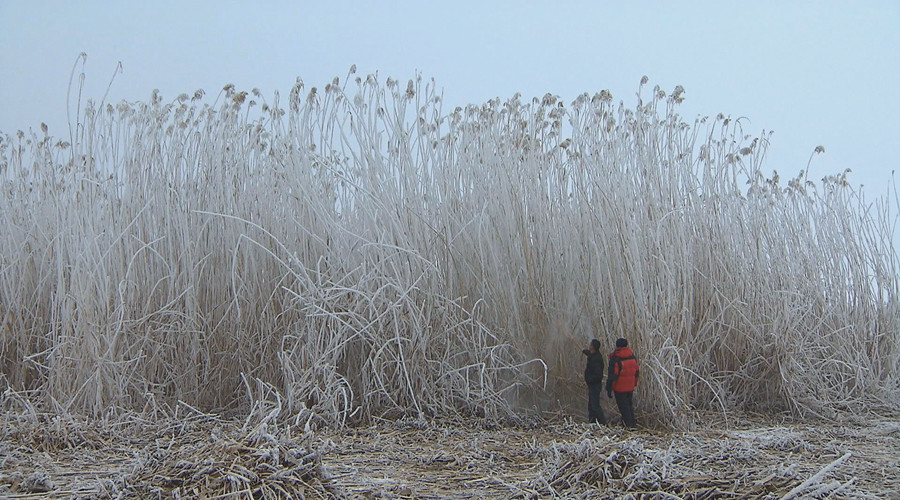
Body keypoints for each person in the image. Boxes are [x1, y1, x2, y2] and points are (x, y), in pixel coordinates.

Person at [606, 338, 639, 428]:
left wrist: (609, 388)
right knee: (629, 405)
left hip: (620, 388)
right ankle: (632, 424)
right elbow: (636, 372)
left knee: (623, 407)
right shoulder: (632, 357)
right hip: (630, 387)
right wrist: (634, 384)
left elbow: (613, 376)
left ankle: (628, 426)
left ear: (617, 346)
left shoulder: (616, 359)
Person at [582, 339, 606, 424]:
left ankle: (603, 422)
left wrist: (589, 379)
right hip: (593, 384)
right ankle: (592, 421)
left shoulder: (596, 359)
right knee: (591, 404)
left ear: (592, 346)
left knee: (595, 405)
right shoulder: (595, 356)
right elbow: (591, 355)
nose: (589, 345)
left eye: (590, 344)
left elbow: (598, 375)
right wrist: (586, 352)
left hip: (594, 384)